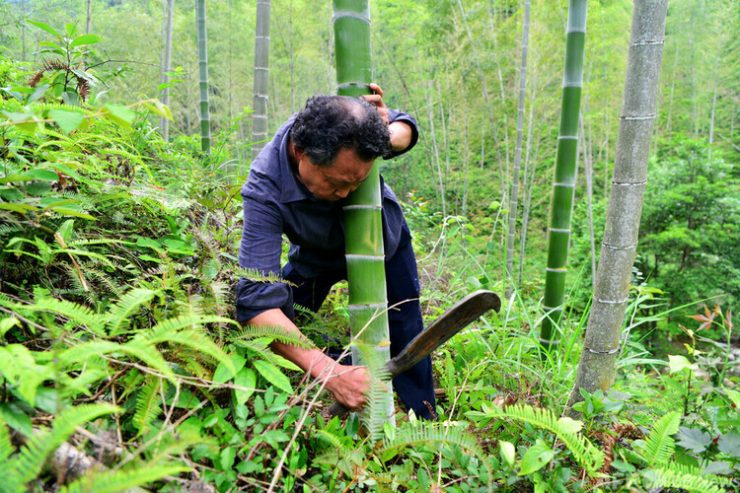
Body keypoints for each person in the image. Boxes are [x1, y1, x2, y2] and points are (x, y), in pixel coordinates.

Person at [235, 84, 435, 419]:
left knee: (405, 325)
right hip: (315, 254)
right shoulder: (264, 186)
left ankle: (423, 414)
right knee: (282, 322)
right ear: (301, 153)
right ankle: (321, 384)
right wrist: (329, 371)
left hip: (382, 244)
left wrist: (390, 135)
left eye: (357, 184)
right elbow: (256, 301)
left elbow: (406, 129)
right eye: (335, 183)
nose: (345, 194)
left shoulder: (353, 126)